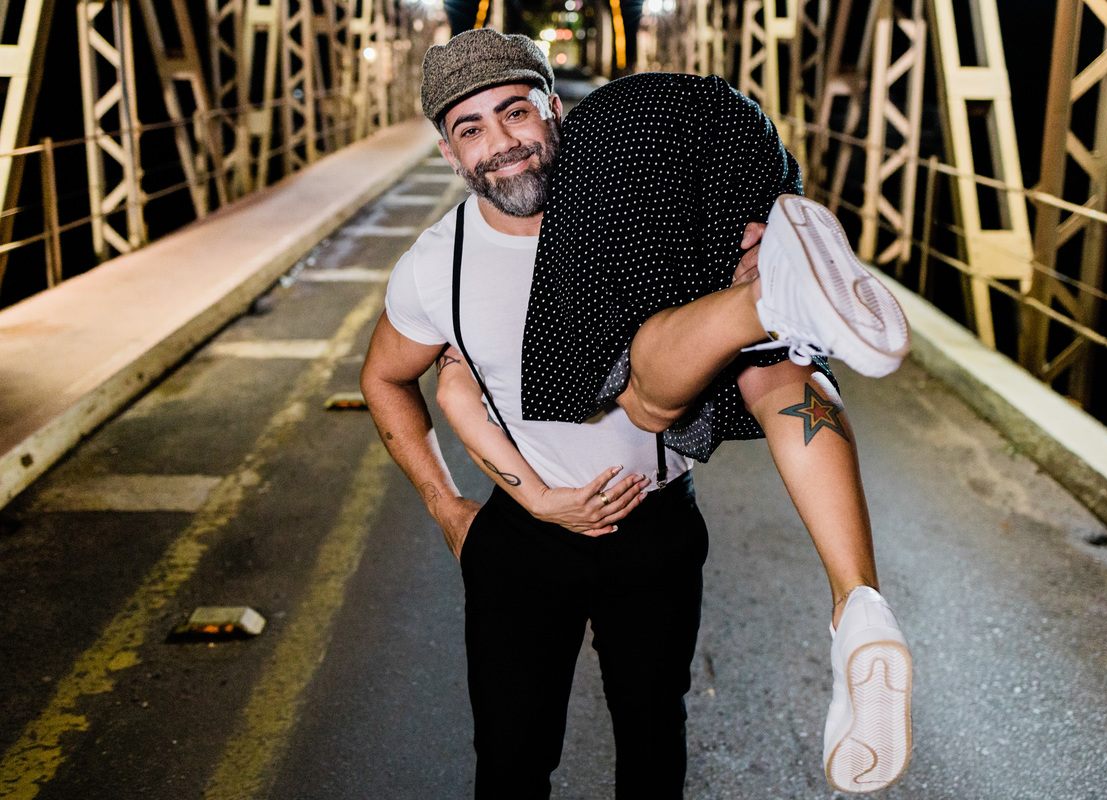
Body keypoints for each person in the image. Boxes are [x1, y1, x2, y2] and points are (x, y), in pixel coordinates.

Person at [360, 28, 911, 797]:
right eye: (471, 129)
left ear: (554, 110)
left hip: (654, 529)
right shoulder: (434, 268)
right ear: (450, 154)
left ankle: (773, 301)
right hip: (525, 542)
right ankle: (853, 588)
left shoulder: (641, 201)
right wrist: (448, 509)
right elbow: (385, 380)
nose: (501, 144)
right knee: (511, 764)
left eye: (515, 112)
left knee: (654, 750)